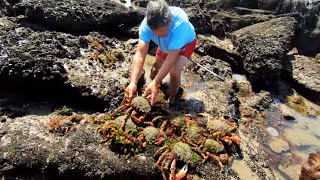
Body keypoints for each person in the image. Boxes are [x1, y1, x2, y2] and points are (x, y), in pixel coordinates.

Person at [125, 0, 196, 106]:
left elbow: (171, 59)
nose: (158, 34)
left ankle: (172, 100)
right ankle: (153, 88)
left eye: (161, 30)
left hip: (185, 44)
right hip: (165, 45)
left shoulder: (180, 25)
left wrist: (156, 82)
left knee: (174, 72)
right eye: (154, 31)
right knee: (155, 67)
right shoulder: (147, 25)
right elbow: (140, 54)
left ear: (170, 22)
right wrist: (133, 82)